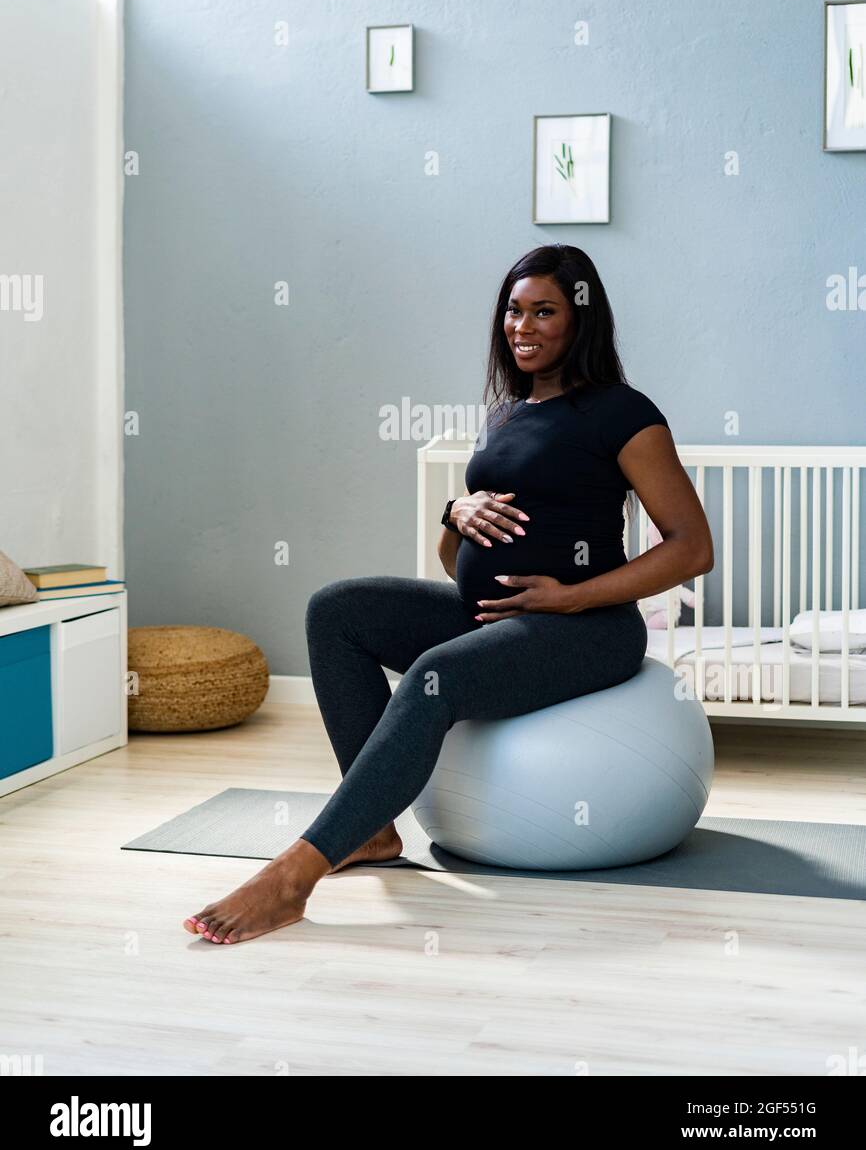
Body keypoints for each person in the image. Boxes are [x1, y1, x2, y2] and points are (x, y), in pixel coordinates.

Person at [183, 244, 713, 944]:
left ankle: (292, 878)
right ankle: (369, 830)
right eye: (513, 311)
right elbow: (455, 557)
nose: (521, 326)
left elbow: (692, 545)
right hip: (492, 613)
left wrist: (573, 596)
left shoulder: (623, 414)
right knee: (336, 610)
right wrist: (454, 514)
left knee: (434, 677)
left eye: (543, 311)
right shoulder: (505, 414)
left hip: (588, 628)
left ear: (581, 319)